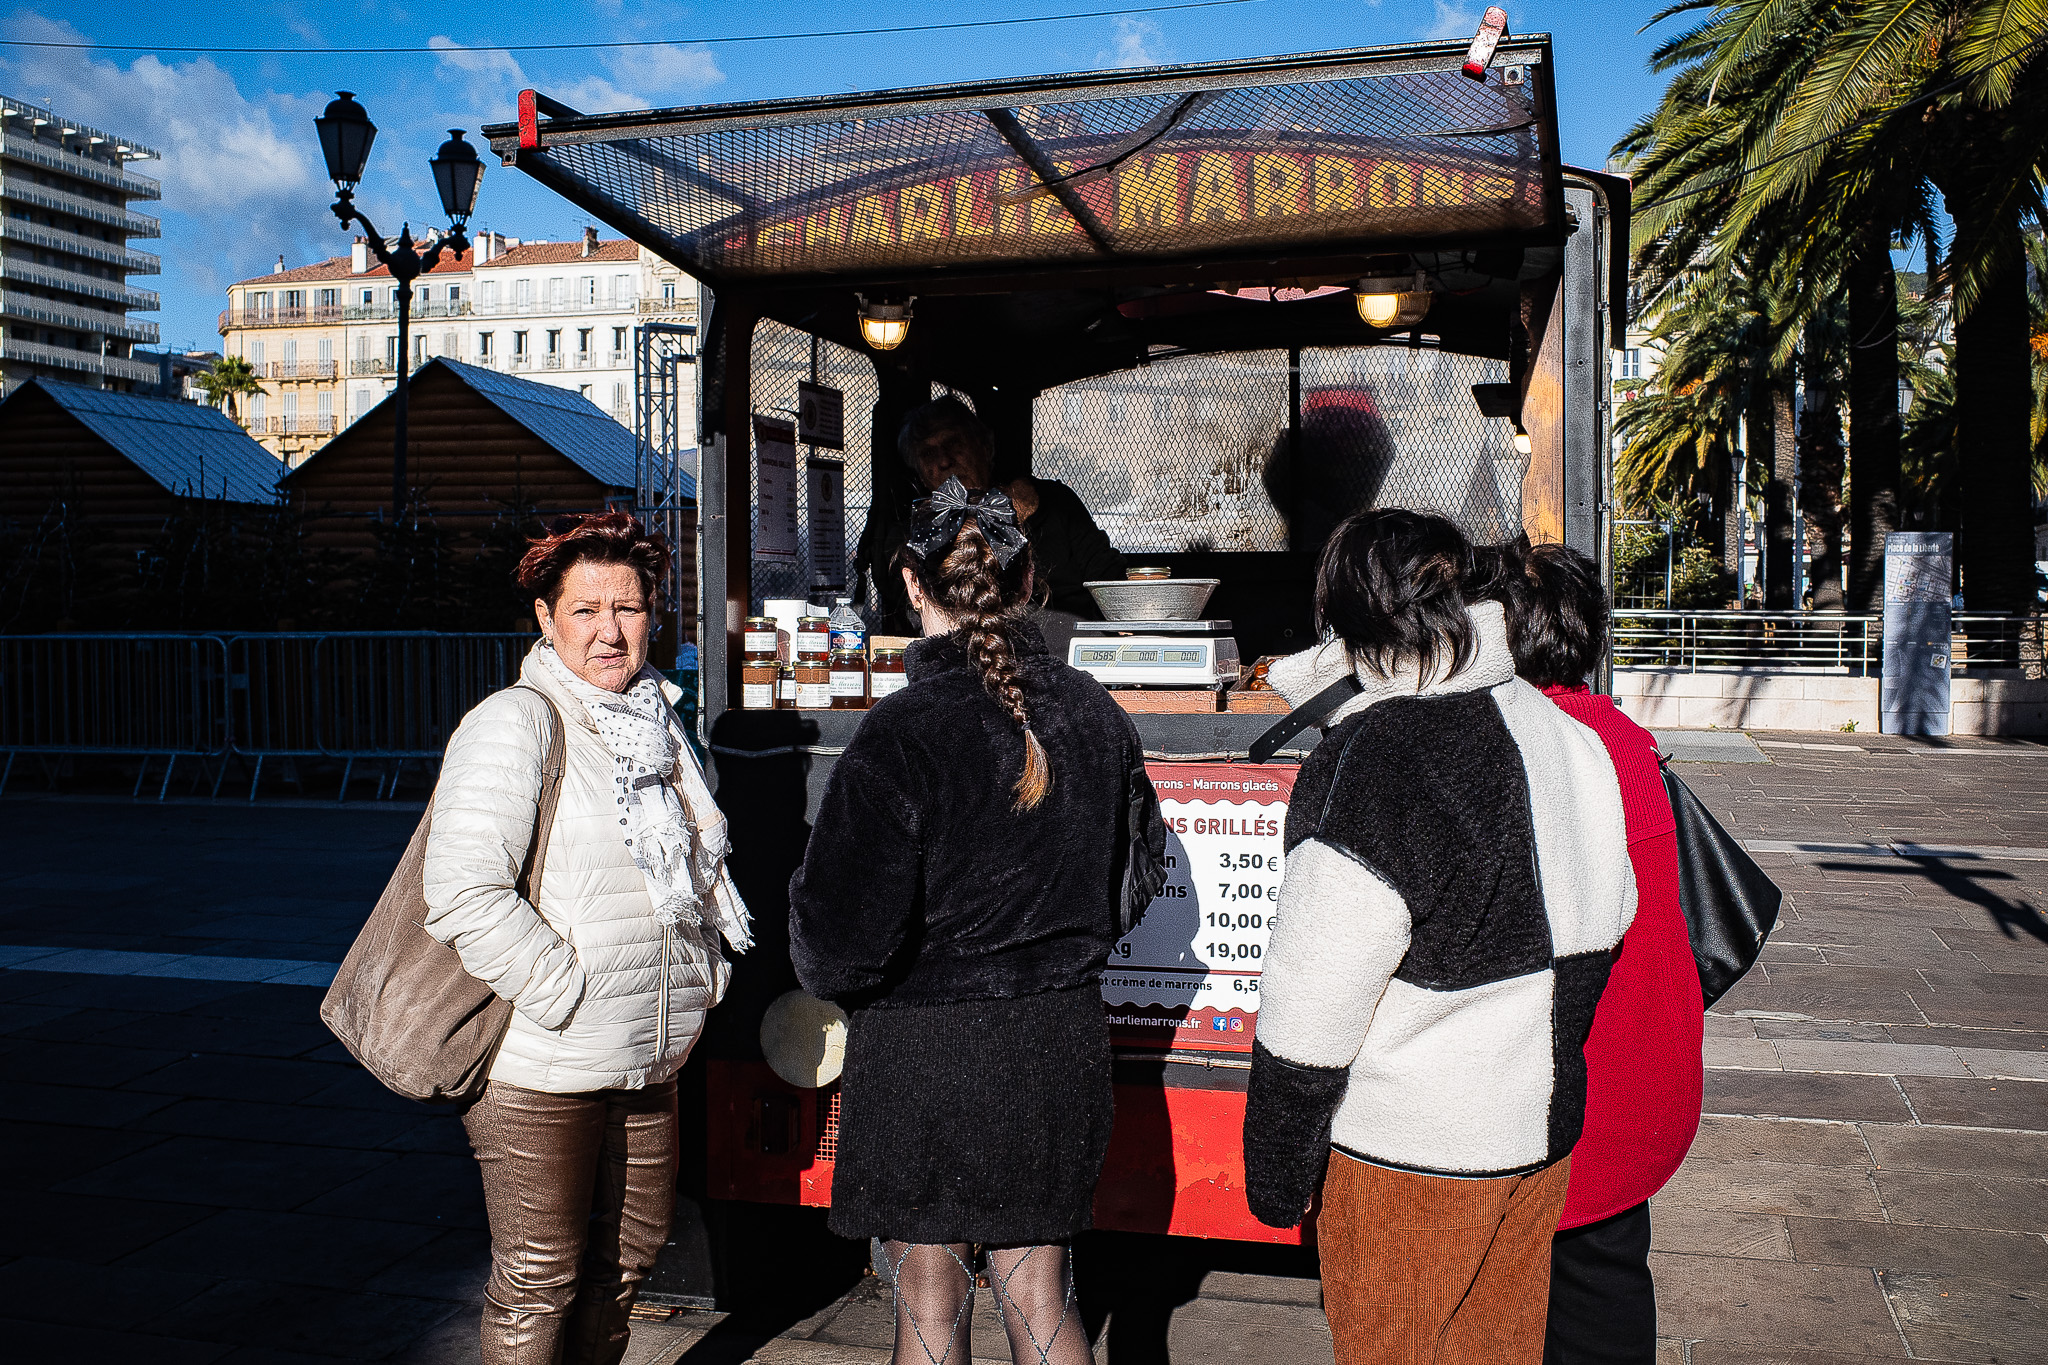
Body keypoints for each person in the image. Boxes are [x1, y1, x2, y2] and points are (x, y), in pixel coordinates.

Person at [1243, 508, 1637, 1365]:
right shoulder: (1569, 733)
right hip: (1537, 1142)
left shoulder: (1375, 752)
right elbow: (1609, 919)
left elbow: (1310, 1009)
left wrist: (1276, 1176)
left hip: (1407, 1154)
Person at [789, 477, 1166, 1365]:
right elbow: (1136, 881)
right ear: (1030, 578)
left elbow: (835, 948)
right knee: (1041, 1296)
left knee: (928, 1300)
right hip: (1056, 1046)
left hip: (925, 1061)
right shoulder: (1097, 717)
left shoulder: (897, 733)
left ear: (911, 586)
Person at [422, 511, 751, 1364]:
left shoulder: (655, 722)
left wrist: (702, 975)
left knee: (628, 1264)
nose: (611, 629)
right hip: (544, 1062)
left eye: (631, 607)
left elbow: (692, 873)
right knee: (539, 1277)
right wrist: (567, 989)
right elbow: (462, 892)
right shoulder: (514, 722)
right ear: (544, 616)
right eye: (585, 609)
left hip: (651, 1053)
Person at [1481, 539, 1703, 1365]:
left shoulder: (1524, 747)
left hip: (1580, 1085)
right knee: (1605, 1270)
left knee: (1560, 1291)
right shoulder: (1624, 736)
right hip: (1645, 1065)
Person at [869, 397, 1125, 634]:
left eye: (953, 444)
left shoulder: (1053, 501)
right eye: (928, 454)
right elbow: (904, 601)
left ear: (985, 446)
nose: (944, 461)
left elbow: (1107, 575)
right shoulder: (916, 532)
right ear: (921, 474)